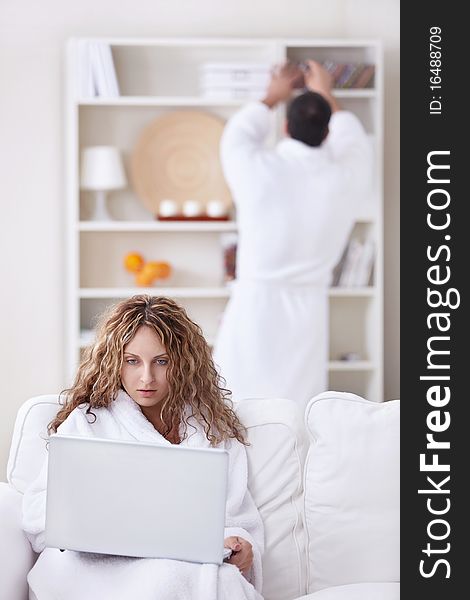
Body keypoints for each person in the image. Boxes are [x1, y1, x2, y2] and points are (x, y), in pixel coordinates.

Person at [22, 295, 264, 600]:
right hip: (98, 566)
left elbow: (237, 518)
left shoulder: (212, 429)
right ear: (114, 361)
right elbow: (37, 510)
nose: (146, 377)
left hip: (180, 563)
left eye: (161, 361)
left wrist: (238, 544)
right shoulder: (87, 422)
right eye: (132, 361)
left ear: (184, 363)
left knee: (207, 579)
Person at [213, 60, 372, 410]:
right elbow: (356, 144)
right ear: (328, 133)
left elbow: (237, 134)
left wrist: (273, 94)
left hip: (254, 306)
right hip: (308, 312)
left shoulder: (256, 169)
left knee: (233, 407)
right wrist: (326, 94)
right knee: (297, 413)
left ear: (285, 127)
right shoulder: (345, 179)